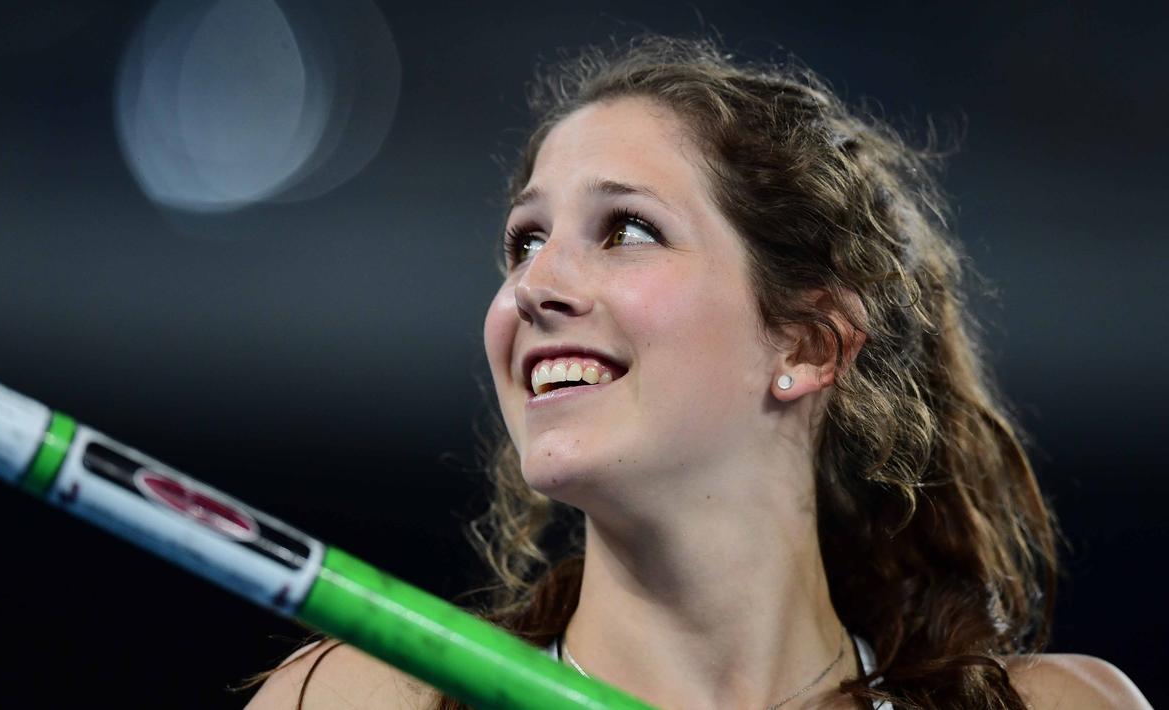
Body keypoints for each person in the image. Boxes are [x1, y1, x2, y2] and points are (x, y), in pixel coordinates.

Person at [244, 35, 1151, 709]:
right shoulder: (360, 702)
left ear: (806, 345)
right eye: (524, 241)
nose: (532, 287)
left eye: (626, 230)